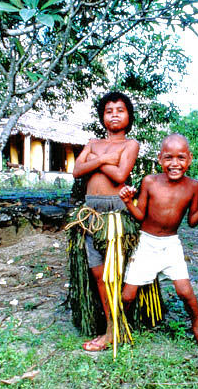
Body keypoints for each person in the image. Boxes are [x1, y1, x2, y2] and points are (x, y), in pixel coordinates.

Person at [119, 133, 198, 349]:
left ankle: (197, 327)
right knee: (128, 295)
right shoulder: (150, 182)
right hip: (146, 243)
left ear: (189, 159)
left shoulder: (193, 186)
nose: (175, 164)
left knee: (185, 291)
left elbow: (191, 222)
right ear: (160, 158)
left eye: (181, 158)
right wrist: (128, 202)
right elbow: (140, 216)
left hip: (171, 245)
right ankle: (118, 327)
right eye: (169, 158)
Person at [72, 91, 140, 352]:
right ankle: (110, 325)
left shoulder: (130, 145)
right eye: (109, 110)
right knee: (98, 273)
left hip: (115, 212)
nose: (114, 114)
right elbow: (77, 171)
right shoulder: (93, 142)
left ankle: (117, 327)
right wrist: (101, 159)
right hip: (91, 213)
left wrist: (91, 161)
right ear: (102, 116)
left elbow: (121, 174)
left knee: (114, 273)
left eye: (120, 110)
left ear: (129, 116)